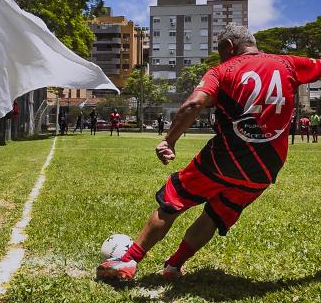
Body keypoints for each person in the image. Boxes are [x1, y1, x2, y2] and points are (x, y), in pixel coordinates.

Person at [97, 24, 321, 282]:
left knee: (172, 200)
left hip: (226, 157)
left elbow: (194, 103)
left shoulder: (223, 70)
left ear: (228, 47)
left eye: (220, 50)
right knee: (214, 215)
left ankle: (128, 260)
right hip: (267, 167)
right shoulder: (289, 63)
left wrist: (168, 141)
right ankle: (173, 266)